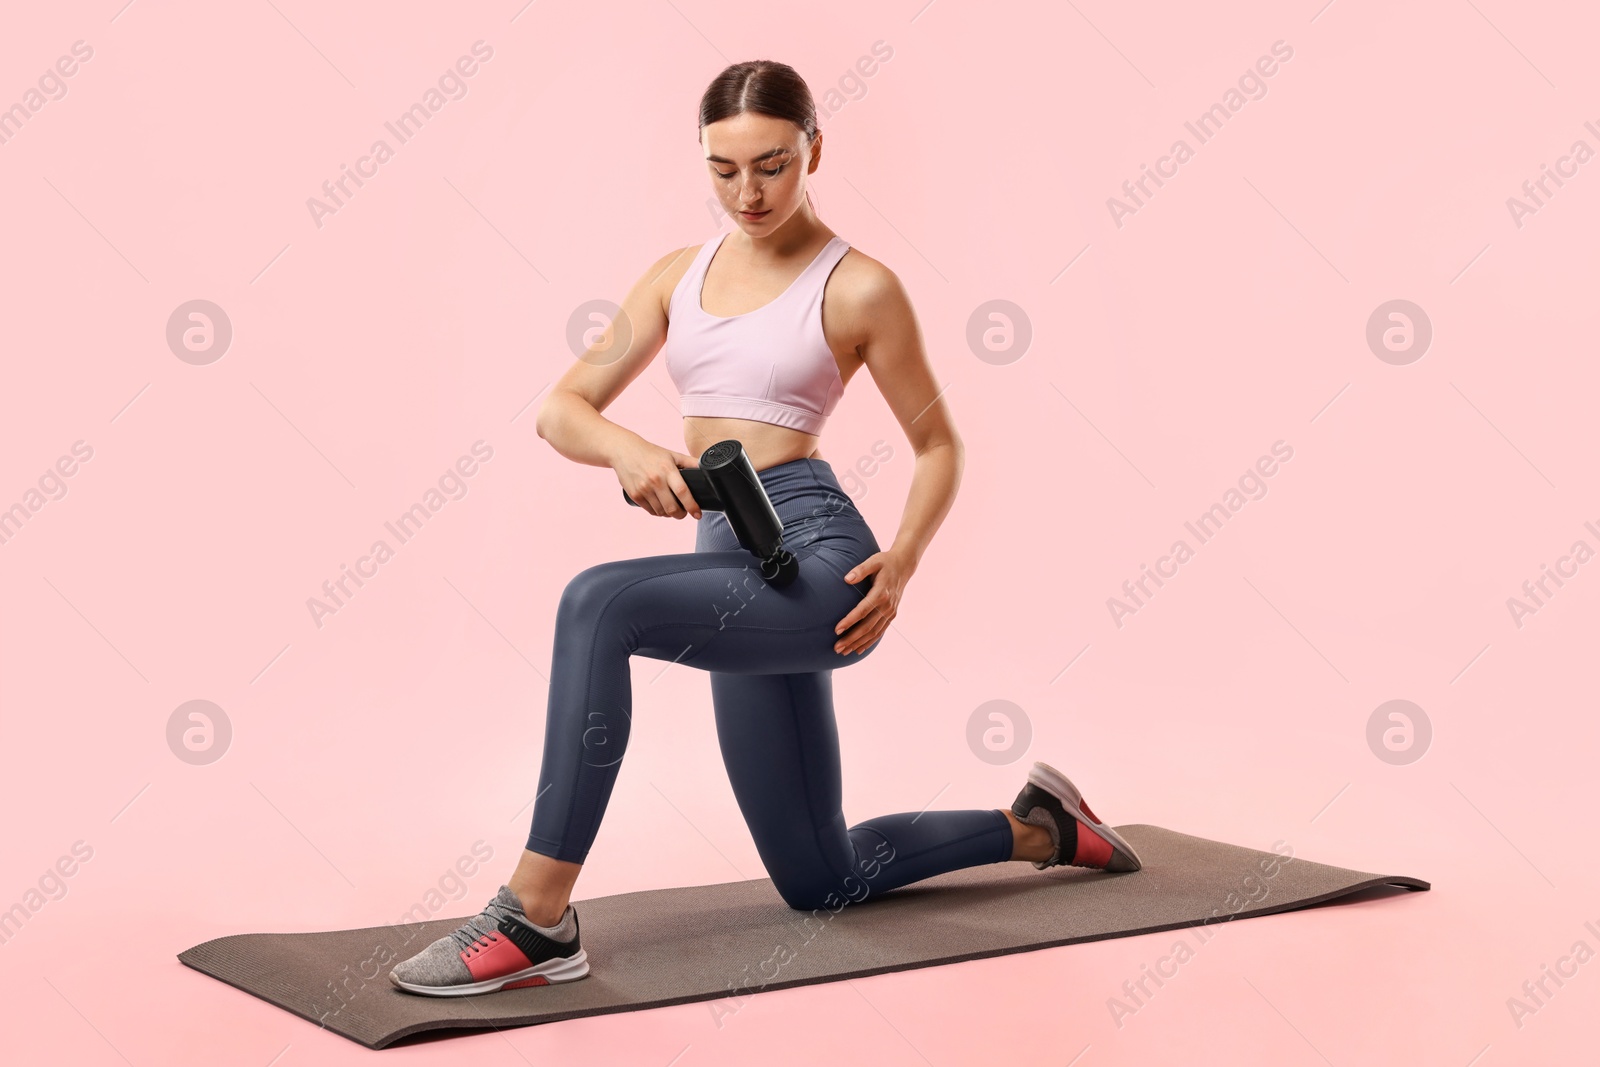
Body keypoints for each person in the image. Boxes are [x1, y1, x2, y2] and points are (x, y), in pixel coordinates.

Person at [390, 59, 1141, 998]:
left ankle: (537, 915)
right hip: (725, 549)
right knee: (820, 878)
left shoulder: (860, 286)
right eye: (725, 169)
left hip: (815, 555)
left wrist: (900, 566)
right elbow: (561, 409)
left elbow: (940, 446)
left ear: (814, 150)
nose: (748, 192)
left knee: (597, 605)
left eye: (773, 165)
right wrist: (627, 450)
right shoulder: (677, 276)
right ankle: (1041, 824)